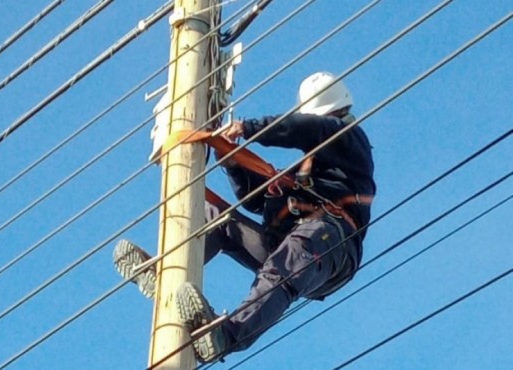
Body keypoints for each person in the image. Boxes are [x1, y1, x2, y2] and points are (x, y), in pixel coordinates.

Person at [113, 71, 376, 363]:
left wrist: (249, 128)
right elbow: (256, 200)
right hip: (292, 241)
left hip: (330, 243)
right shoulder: (308, 173)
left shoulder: (349, 139)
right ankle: (169, 271)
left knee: (285, 264)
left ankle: (226, 336)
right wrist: (232, 161)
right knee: (222, 222)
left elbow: (308, 129)